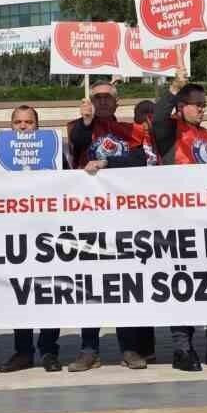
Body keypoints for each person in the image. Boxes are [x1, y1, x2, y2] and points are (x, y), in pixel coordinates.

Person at [147, 76, 207, 371]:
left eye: (205, 105)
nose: (202, 109)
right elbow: (158, 118)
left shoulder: (203, 135)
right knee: (182, 286)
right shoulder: (170, 132)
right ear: (182, 106)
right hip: (177, 222)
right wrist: (173, 90)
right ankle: (182, 349)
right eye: (197, 105)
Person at [71, 80, 155, 366]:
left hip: (122, 217)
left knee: (124, 282)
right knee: (88, 283)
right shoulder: (78, 126)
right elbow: (78, 145)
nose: (103, 101)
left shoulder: (130, 131)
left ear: (118, 103)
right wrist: (85, 121)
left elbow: (138, 162)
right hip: (87, 216)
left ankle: (129, 347)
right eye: (97, 97)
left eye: (108, 97)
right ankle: (88, 349)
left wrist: (107, 164)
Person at [0, 104, 75, 374]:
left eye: (29, 122)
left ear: (37, 126)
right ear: (11, 126)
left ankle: (48, 350)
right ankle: (22, 351)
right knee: (20, 294)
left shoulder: (55, 152)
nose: (23, 127)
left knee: (48, 293)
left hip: (48, 233)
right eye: (18, 122)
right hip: (14, 236)